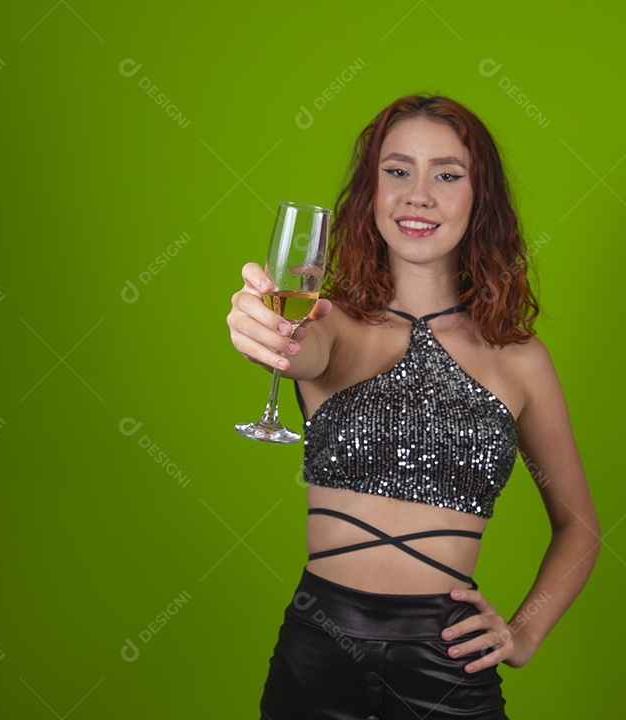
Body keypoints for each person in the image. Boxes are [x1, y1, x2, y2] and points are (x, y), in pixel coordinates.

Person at [226, 93, 599, 720]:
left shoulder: (521, 359)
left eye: (446, 176)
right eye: (397, 171)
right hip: (317, 656)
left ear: (480, 199)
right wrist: (260, 331)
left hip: (449, 665)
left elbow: (579, 528)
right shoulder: (332, 322)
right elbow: (299, 346)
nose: (418, 195)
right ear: (370, 192)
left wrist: (523, 632)